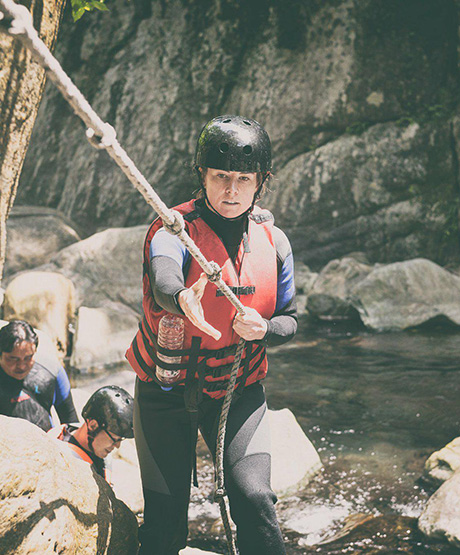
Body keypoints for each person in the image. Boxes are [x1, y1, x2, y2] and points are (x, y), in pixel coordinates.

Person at [125, 115, 297, 554]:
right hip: (166, 393)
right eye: (221, 176)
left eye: (244, 178)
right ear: (201, 174)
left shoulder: (273, 242)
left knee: (256, 501)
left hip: (237, 391)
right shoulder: (173, 230)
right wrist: (184, 299)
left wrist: (264, 329)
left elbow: (291, 320)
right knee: (165, 525)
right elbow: (164, 279)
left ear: (261, 182)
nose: (232, 190)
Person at [0, 320, 78, 432]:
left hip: (48, 444)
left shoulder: (52, 370)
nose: (21, 366)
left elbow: (70, 421)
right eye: (13, 359)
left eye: (28, 358)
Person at [51, 385, 134, 484]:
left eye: (120, 440)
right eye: (115, 439)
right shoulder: (63, 460)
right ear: (93, 425)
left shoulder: (99, 449)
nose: (117, 446)